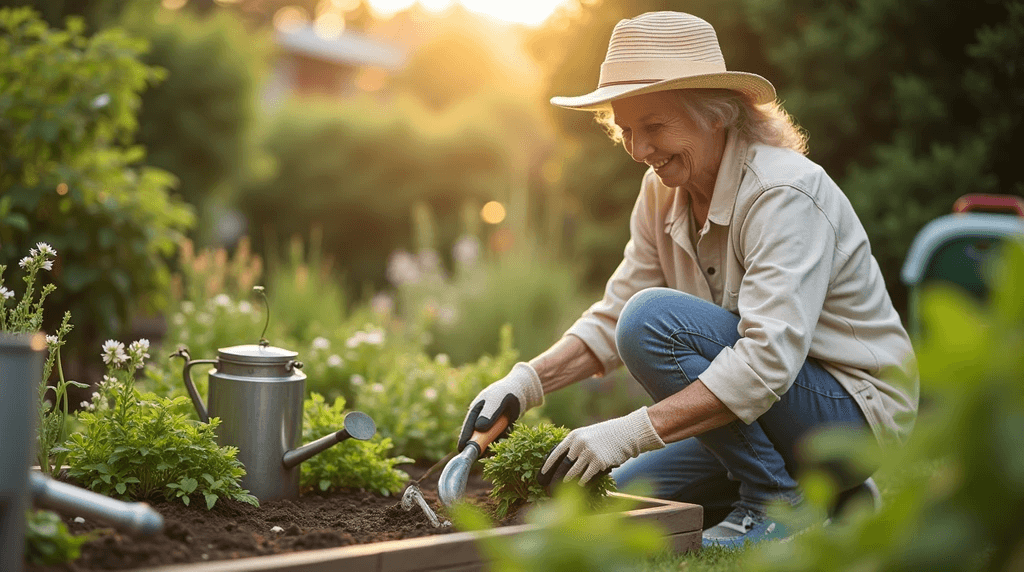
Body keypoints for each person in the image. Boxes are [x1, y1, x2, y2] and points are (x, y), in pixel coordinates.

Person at [457, 11, 918, 548]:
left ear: (715, 114)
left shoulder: (783, 194)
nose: (638, 150)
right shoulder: (661, 191)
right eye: (627, 130)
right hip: (770, 412)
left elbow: (767, 360)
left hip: (851, 416)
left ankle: (776, 504)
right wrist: (524, 383)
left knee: (650, 321)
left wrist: (628, 431)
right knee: (620, 495)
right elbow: (612, 311)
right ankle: (842, 500)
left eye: (654, 127)